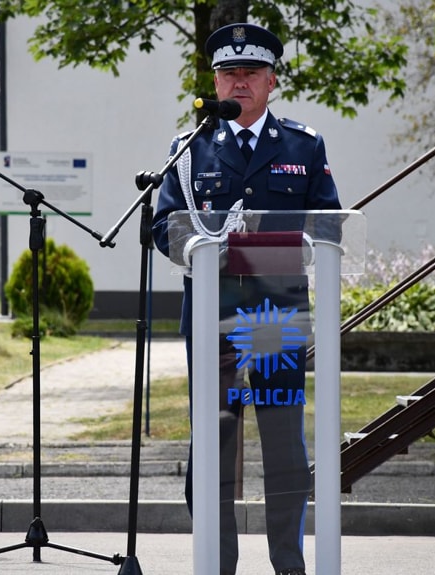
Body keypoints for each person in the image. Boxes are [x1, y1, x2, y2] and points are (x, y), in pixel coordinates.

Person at [151, 23, 342, 575]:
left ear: (271, 81)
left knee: (282, 443)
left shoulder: (304, 146)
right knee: (213, 439)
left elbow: (327, 226)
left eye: (250, 73)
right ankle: (217, 563)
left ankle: (289, 563)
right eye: (229, 73)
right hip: (213, 313)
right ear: (215, 81)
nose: (239, 82)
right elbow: (164, 224)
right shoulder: (187, 150)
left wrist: (279, 252)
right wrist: (199, 254)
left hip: (275, 315)